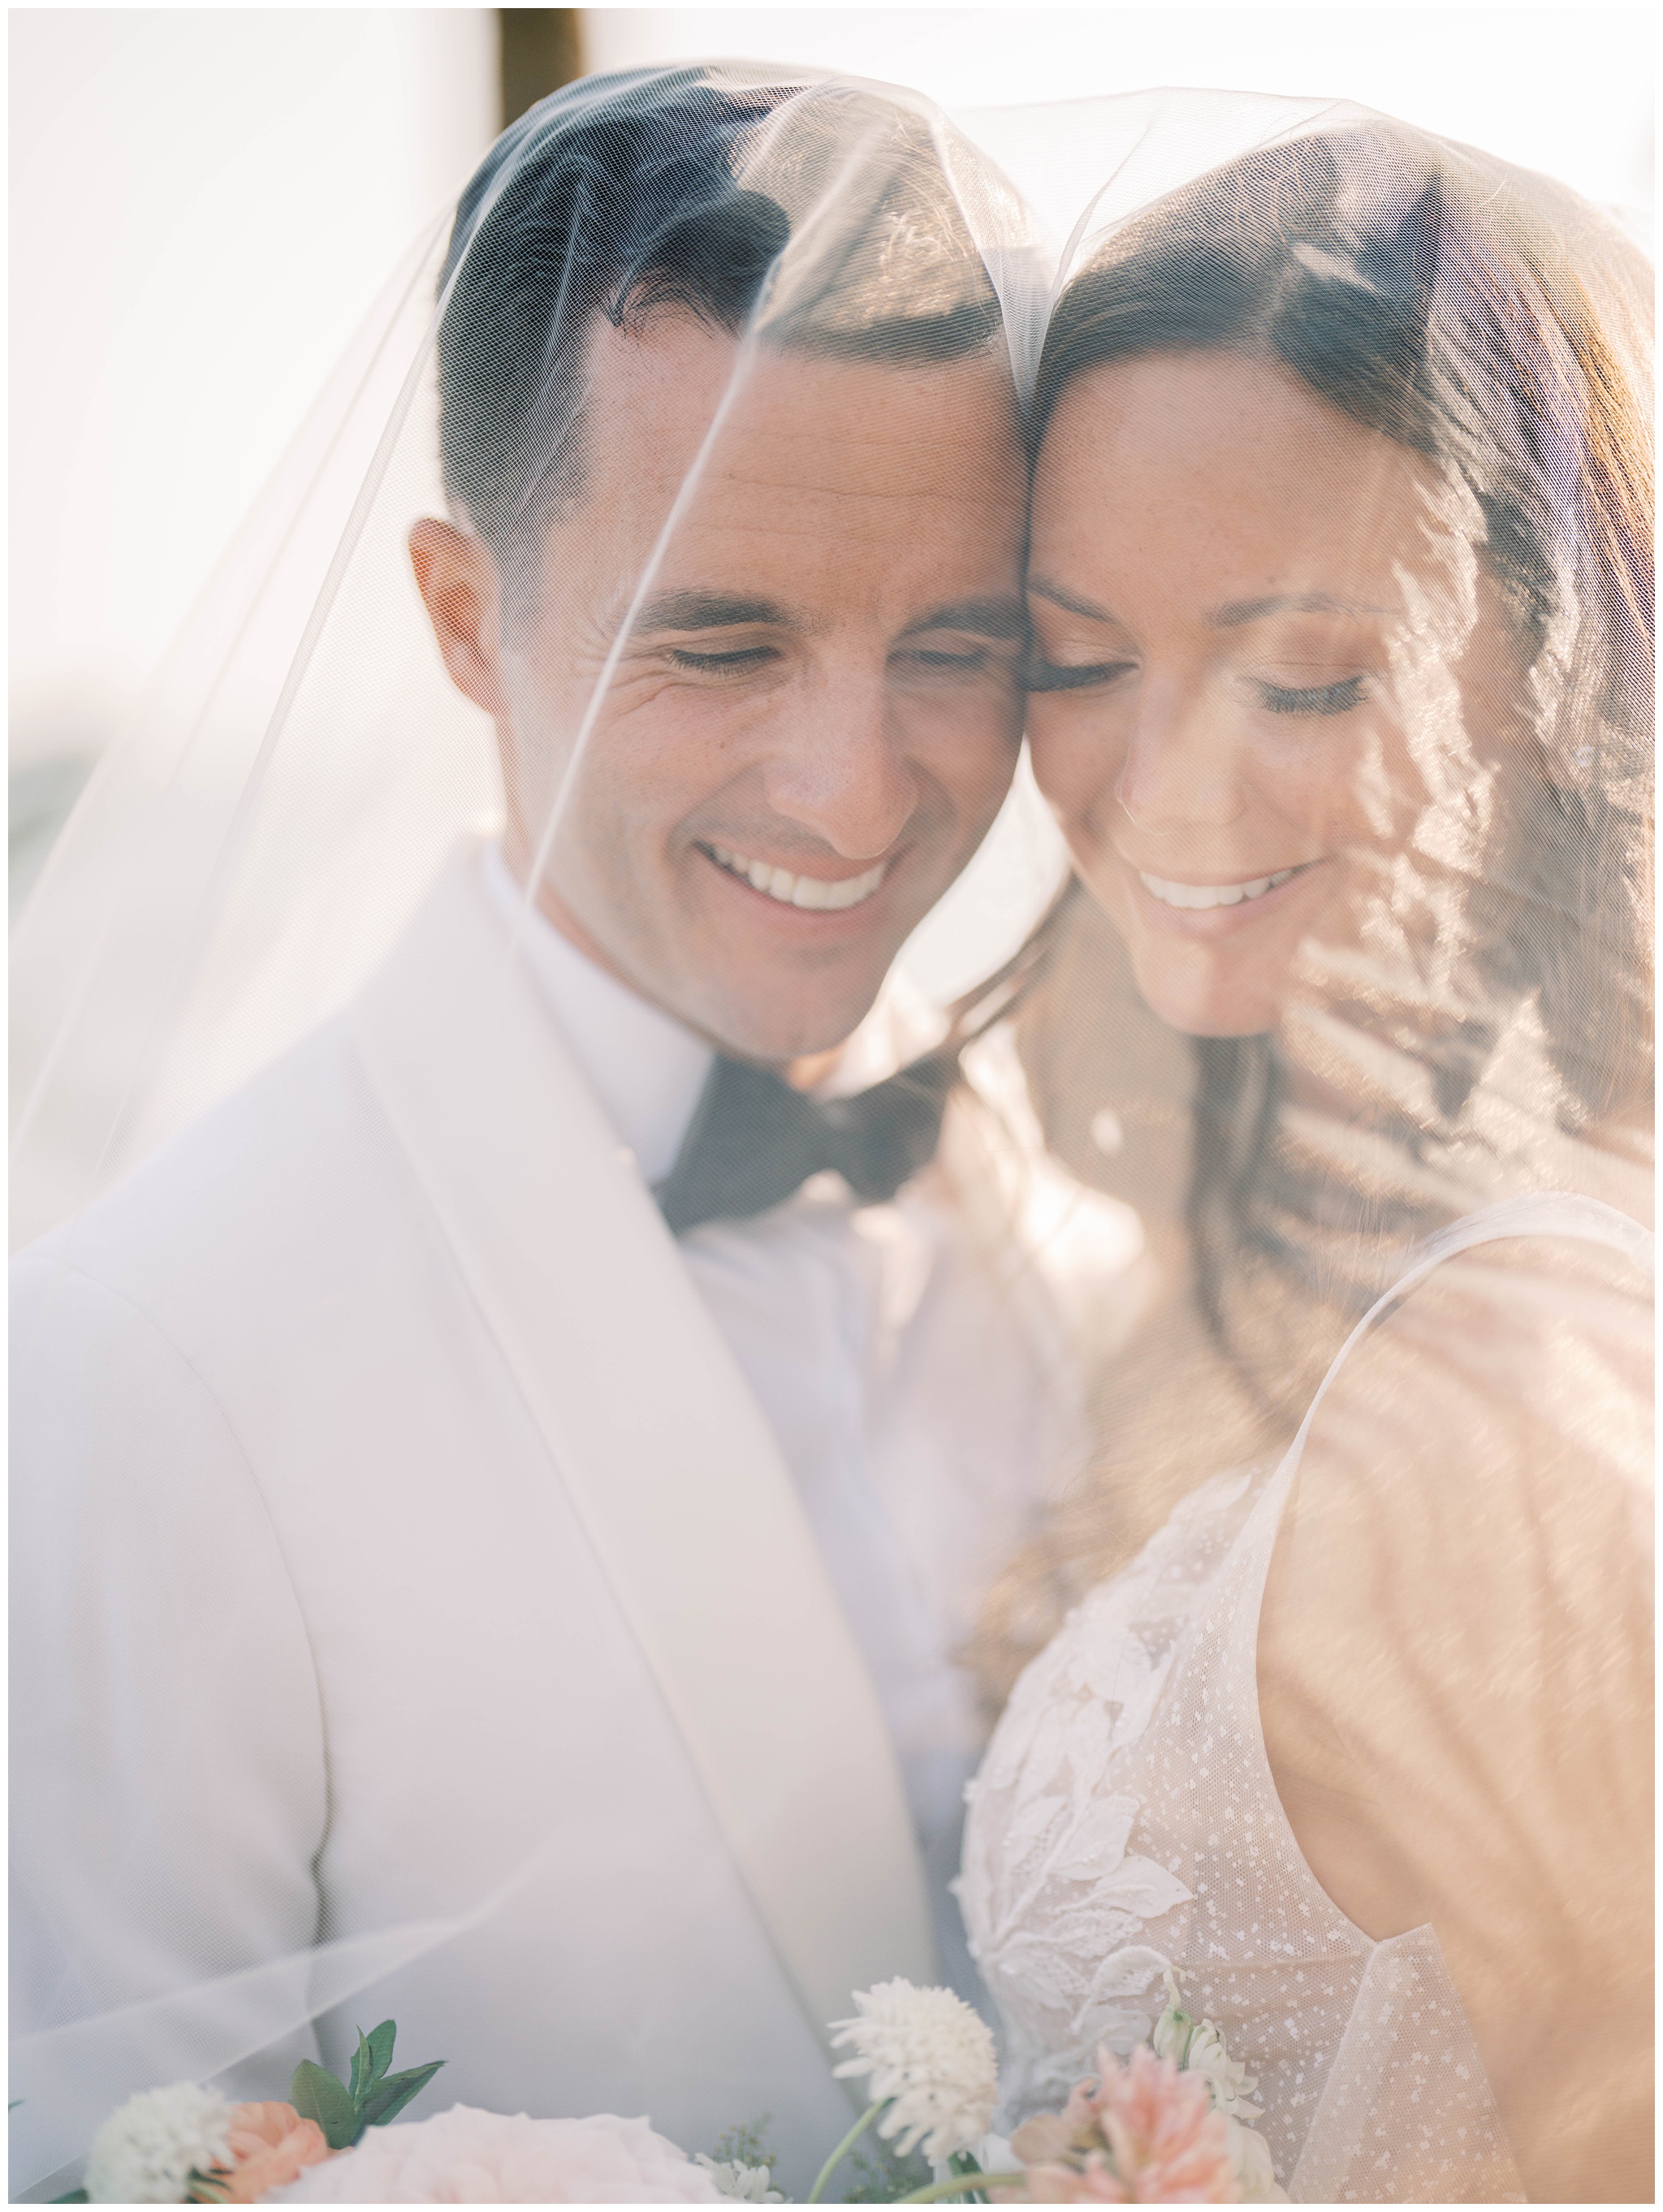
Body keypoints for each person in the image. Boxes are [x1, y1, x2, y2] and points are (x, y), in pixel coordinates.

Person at [11, 67, 1121, 2197]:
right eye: (723, 640)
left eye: (955, 642)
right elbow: (118, 2162)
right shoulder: (138, 1374)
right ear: (465, 618)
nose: (854, 788)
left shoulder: (1099, 1238)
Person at [959, 117, 1652, 2201]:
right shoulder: (1283, 1250)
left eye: (1303, 673)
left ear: (1551, 666)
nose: (1167, 785)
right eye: (1079, 661)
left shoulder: (1509, 1413)